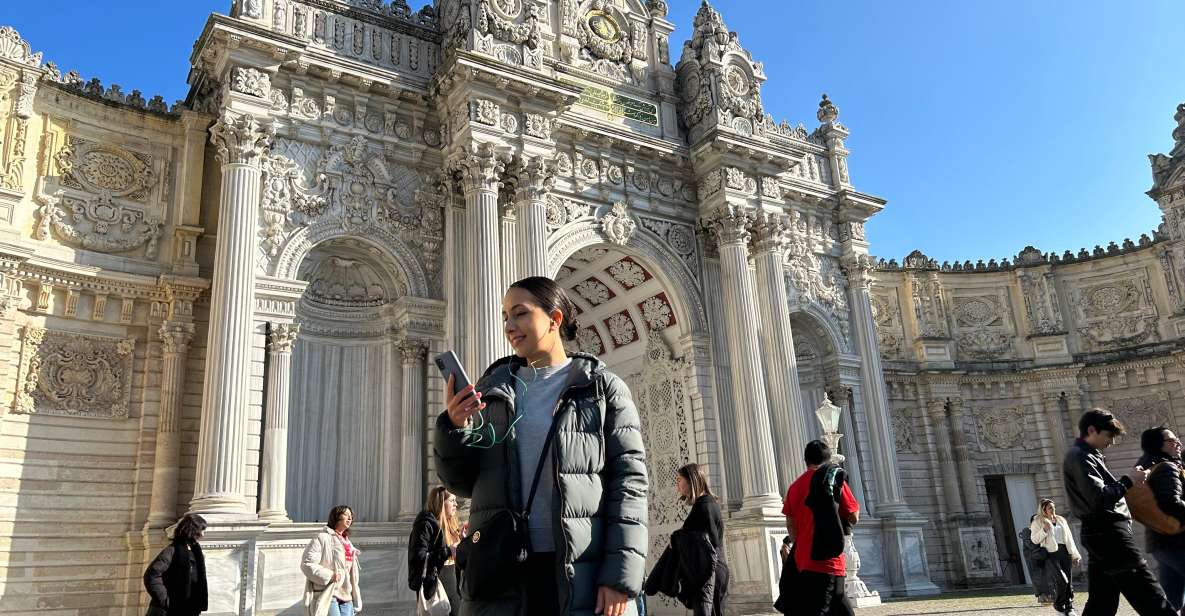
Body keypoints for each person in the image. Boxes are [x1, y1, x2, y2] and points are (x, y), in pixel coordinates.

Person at [434, 276, 648, 616]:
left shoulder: (602, 388)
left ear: (555, 319)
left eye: (519, 313)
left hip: (579, 570)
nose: (509, 325)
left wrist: (619, 577)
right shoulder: (492, 389)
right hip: (503, 569)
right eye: (505, 316)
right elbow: (460, 483)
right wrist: (453, 427)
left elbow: (630, 486)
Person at [1062, 408, 1177, 616]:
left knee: (1102, 602)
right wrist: (1129, 481)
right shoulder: (1080, 457)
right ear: (1091, 430)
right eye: (1109, 435)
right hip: (1108, 534)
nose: (1111, 442)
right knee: (1148, 592)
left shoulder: (1087, 456)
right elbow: (1099, 499)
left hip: (1102, 534)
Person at [779, 440, 859, 616]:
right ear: (828, 459)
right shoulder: (830, 479)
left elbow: (790, 525)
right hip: (828, 559)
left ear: (806, 460)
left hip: (803, 561)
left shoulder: (794, 487)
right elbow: (853, 516)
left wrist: (801, 544)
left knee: (839, 603)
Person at [1136, 426, 1185, 611]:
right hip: (1177, 540)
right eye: (1172, 441)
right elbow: (1170, 502)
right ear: (1158, 445)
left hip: (1161, 540)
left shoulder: (1148, 464)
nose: (1178, 444)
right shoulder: (1166, 467)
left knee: (1172, 601)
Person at [675, 462, 728, 616]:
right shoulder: (706, 504)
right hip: (711, 572)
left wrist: (677, 538)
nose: (677, 485)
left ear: (691, 480)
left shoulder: (704, 506)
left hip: (710, 574)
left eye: (679, 480)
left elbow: (709, 545)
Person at [301, 505, 363, 616]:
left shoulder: (348, 543)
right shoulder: (322, 538)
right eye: (346, 515)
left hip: (346, 595)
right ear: (336, 517)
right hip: (328, 593)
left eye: (351, 516)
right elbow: (307, 563)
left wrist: (355, 596)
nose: (350, 518)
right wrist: (330, 575)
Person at [409, 487, 462, 615]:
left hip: (454, 586)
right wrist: (448, 551)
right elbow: (418, 557)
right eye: (452, 500)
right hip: (435, 586)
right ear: (441, 502)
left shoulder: (452, 525)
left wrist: (463, 541)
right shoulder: (425, 524)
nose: (456, 504)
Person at [144, 513, 208, 616]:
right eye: (201, 530)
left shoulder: (195, 551)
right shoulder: (172, 550)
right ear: (192, 530)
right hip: (169, 611)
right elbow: (152, 574)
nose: (203, 534)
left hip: (188, 609)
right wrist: (165, 600)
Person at [1030, 499, 1081, 615]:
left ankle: (1069, 607)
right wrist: (1044, 530)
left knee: (1069, 582)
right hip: (1050, 554)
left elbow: (1069, 539)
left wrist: (1074, 555)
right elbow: (1034, 539)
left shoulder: (1061, 519)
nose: (1053, 510)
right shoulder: (1038, 521)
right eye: (1050, 508)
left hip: (1065, 552)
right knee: (1062, 580)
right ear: (1043, 510)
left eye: (1053, 507)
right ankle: (1058, 604)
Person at [1020, 514, 1053, 604]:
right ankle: (1042, 597)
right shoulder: (1027, 530)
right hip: (1033, 559)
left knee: (1046, 577)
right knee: (1038, 578)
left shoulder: (1040, 531)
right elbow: (1031, 545)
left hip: (1042, 557)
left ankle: (1048, 596)